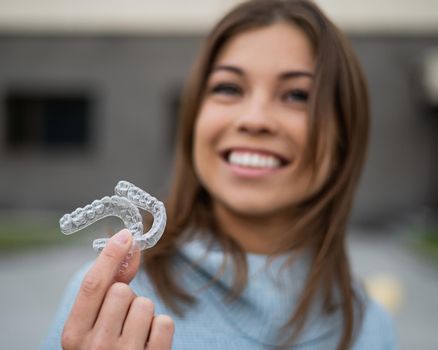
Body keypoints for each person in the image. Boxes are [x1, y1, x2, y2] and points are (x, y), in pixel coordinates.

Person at [42, 0, 398, 349]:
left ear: (344, 136)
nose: (254, 119)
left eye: (296, 95)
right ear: (194, 117)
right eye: (228, 88)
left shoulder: (373, 330)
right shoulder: (107, 304)